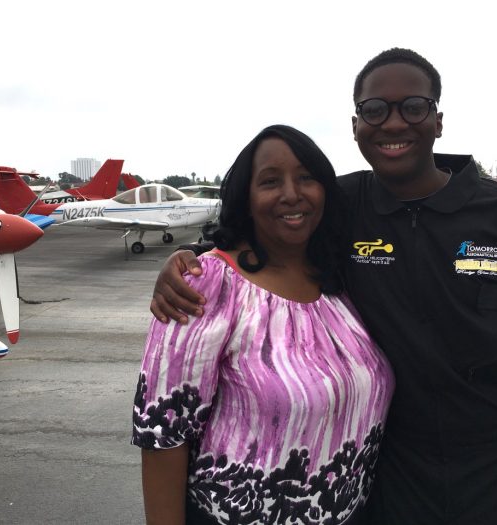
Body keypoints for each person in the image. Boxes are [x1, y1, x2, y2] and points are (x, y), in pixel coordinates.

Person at [150, 48, 497, 524]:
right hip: (393, 487)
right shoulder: (341, 206)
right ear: (356, 125)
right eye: (375, 110)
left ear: (438, 120)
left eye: (413, 107)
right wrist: (189, 261)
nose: (393, 123)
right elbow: (262, 227)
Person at [132, 124, 395, 524]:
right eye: (270, 181)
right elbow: (163, 435)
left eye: (306, 177)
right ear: (247, 198)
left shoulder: (337, 282)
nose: (292, 193)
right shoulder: (206, 286)